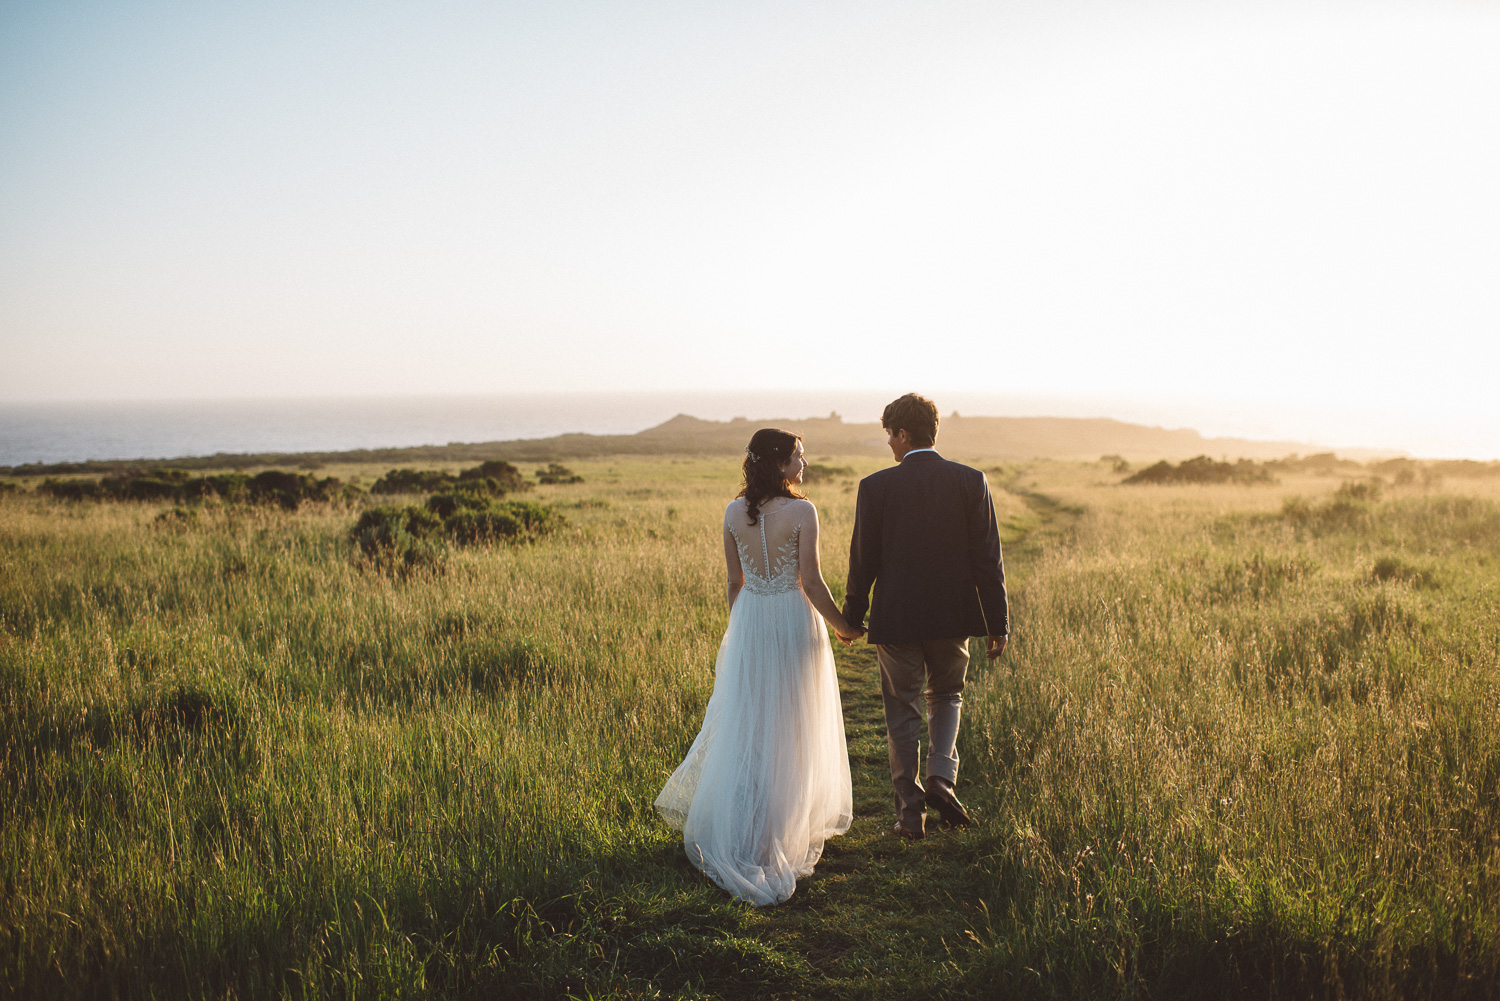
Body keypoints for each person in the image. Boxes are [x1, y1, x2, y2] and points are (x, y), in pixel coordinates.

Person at [654, 428, 859, 905]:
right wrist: (844, 627)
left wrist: (740, 633)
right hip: (790, 619)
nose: (804, 464)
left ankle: (747, 831)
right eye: (799, 457)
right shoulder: (803, 511)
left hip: (749, 620)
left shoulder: (732, 511)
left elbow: (734, 580)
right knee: (792, 725)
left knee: (752, 726)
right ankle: (777, 837)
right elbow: (811, 581)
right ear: (778, 463)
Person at [839, 393, 1009, 841]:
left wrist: (852, 617)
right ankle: (941, 778)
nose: (889, 445)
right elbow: (988, 561)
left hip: (897, 619)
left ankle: (910, 816)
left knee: (902, 711)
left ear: (903, 434)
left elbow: (863, 562)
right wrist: (998, 623)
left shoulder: (875, 487)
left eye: (889, 436)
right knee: (948, 694)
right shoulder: (971, 481)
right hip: (954, 616)